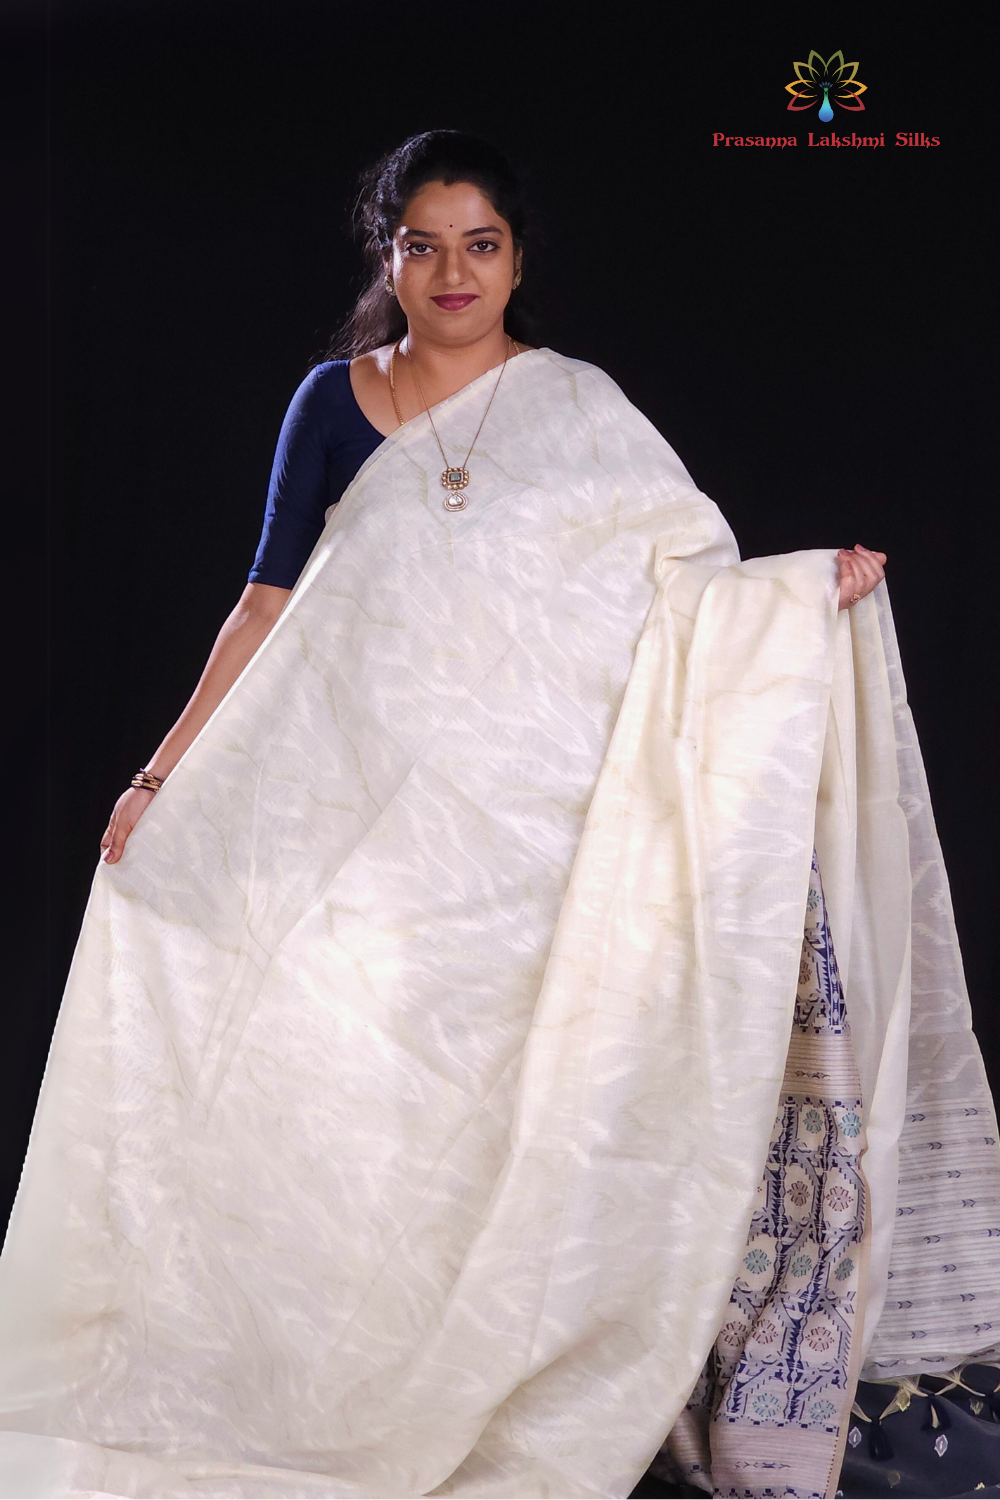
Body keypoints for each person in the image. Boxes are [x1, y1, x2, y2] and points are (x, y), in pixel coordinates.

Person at [0, 130, 996, 1500]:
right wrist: (160, 776)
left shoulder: (579, 408)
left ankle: (475, 1367)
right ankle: (311, 1373)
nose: (453, 272)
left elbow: (683, 588)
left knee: (483, 1109)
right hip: (350, 816)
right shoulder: (335, 401)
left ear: (518, 259)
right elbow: (266, 598)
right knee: (343, 1091)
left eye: (481, 245)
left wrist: (796, 591)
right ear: (388, 257)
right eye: (423, 246)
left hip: (526, 844)